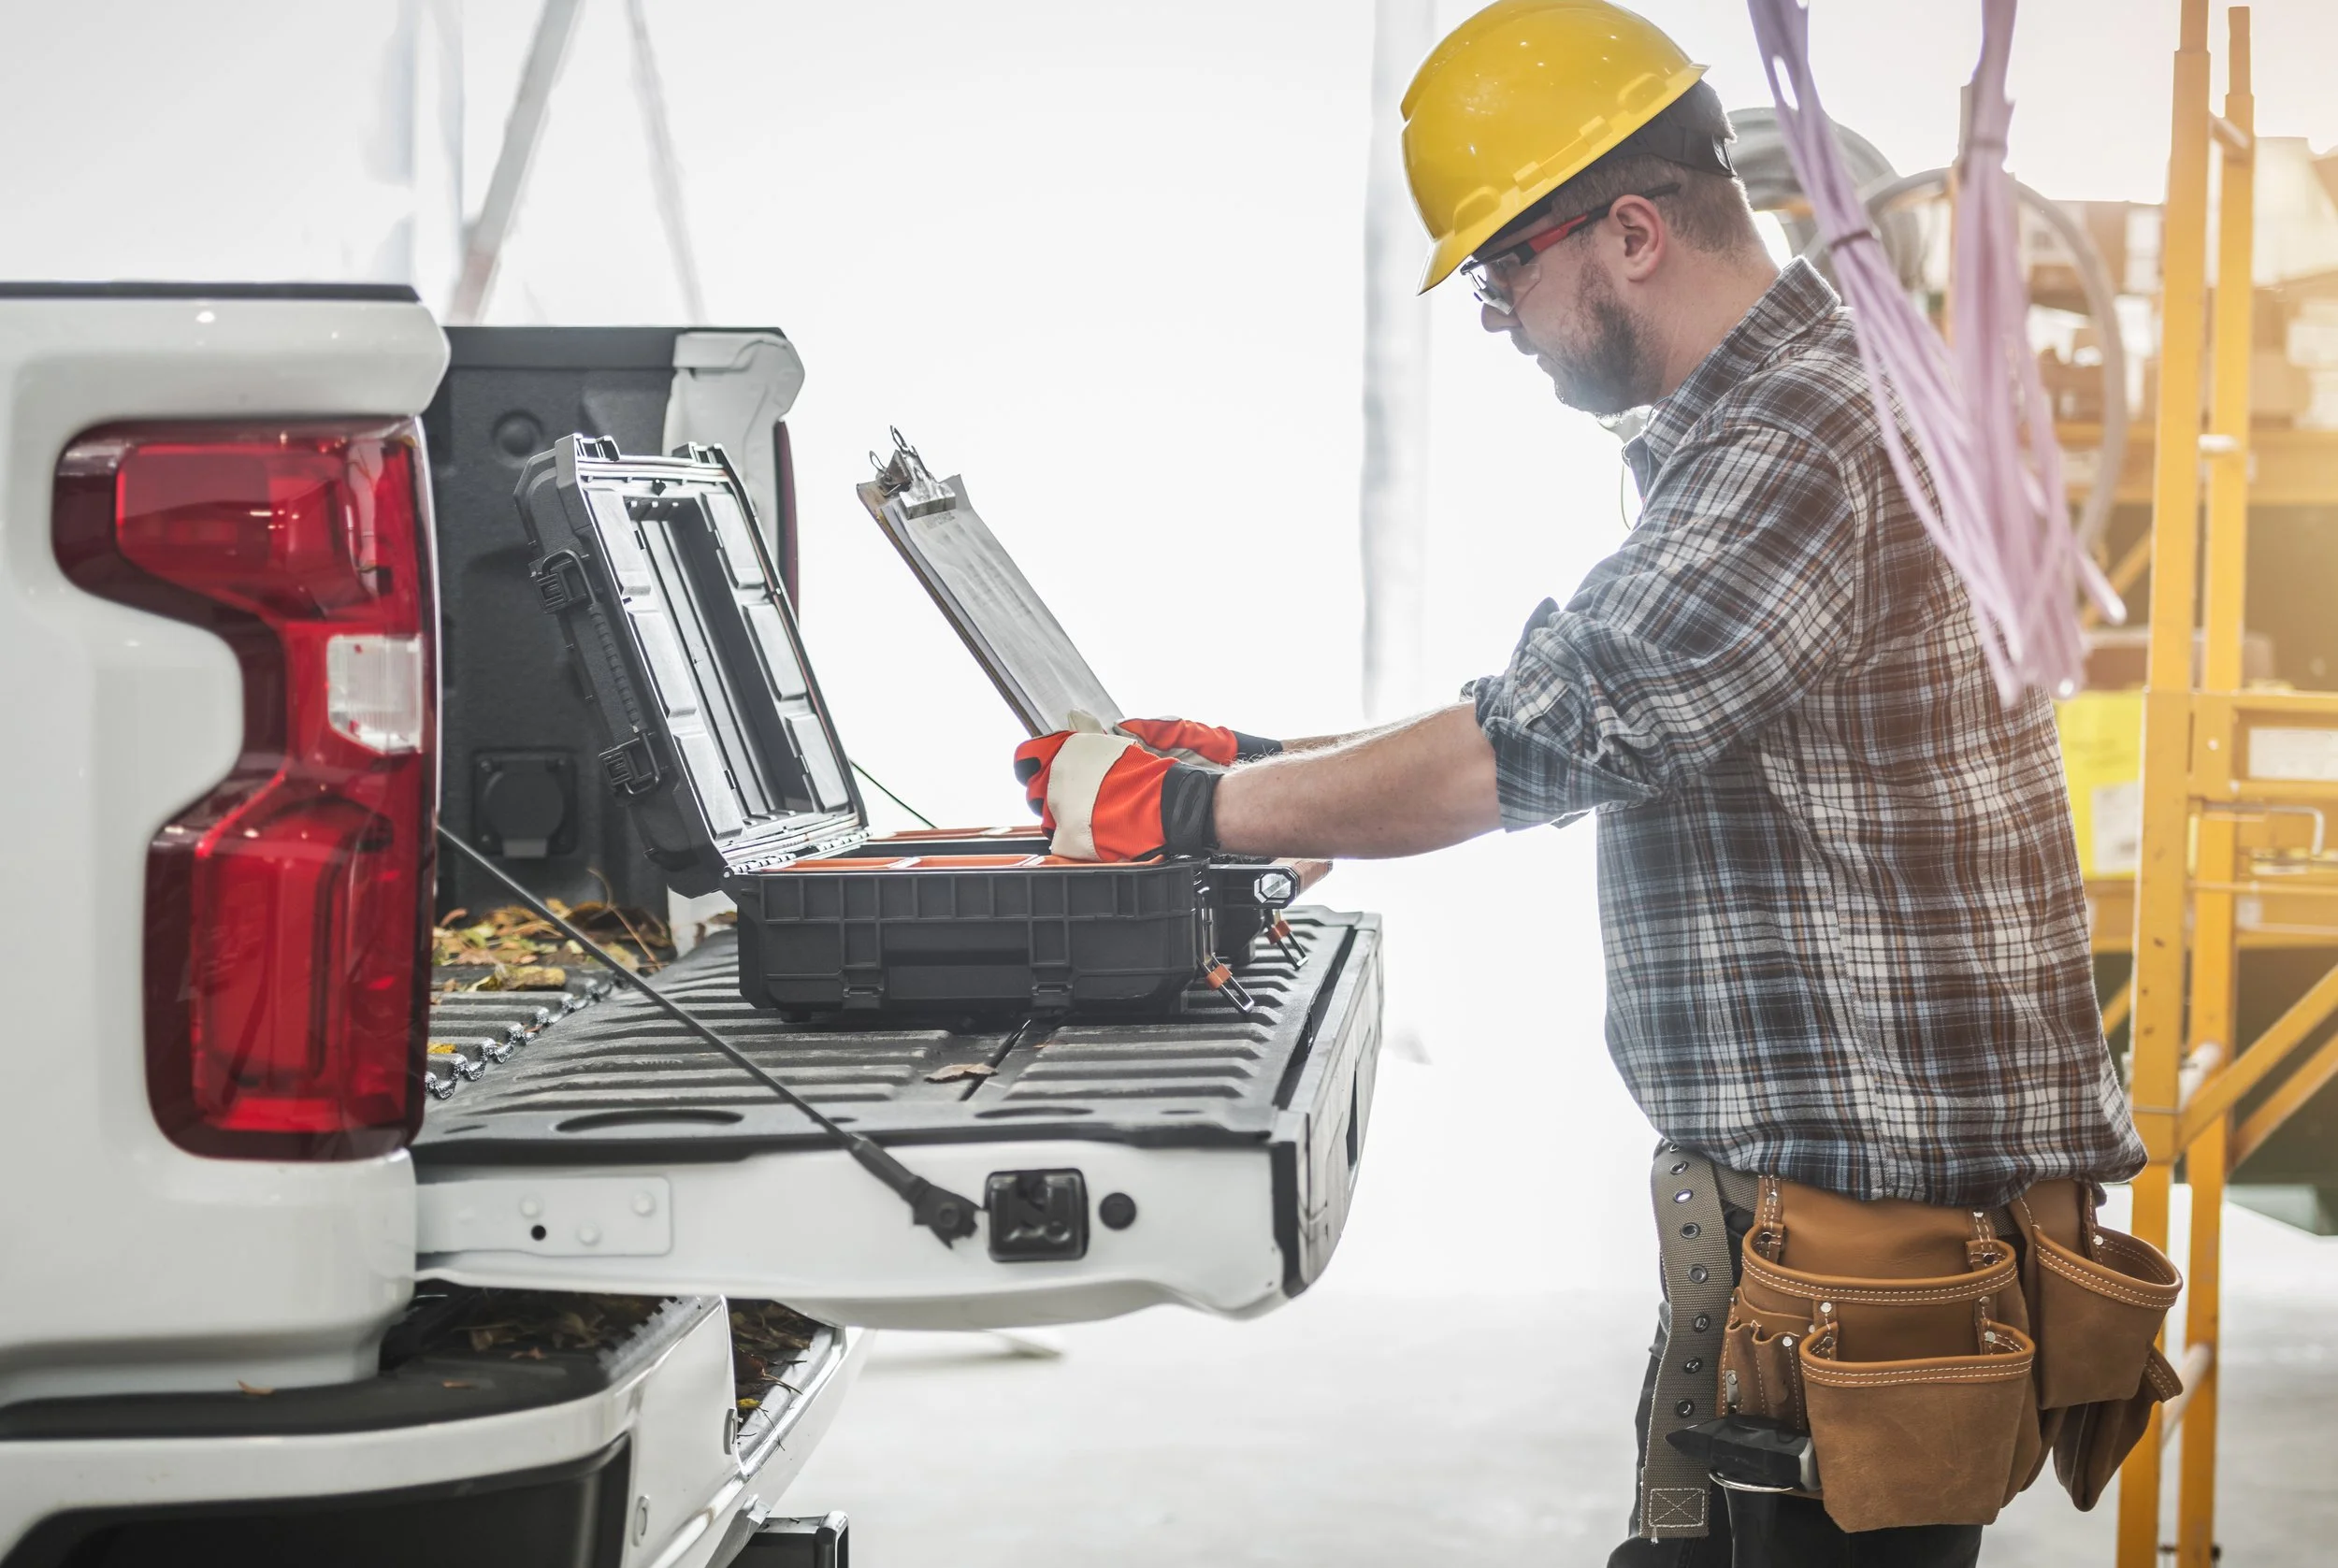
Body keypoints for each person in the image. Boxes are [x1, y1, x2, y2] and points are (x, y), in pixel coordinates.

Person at [1013, 3, 2150, 1564]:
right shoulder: (1792, 404)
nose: (1493, 317)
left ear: (1627, 233)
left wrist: (1198, 817)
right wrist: (1271, 762)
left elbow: (1557, 733)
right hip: (1812, 1241)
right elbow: (1579, 695)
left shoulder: (1802, 429)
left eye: (1500, 271)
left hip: (1877, 1256)